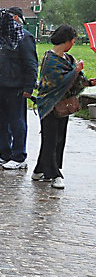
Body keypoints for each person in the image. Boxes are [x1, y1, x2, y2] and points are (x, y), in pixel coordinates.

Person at [31, 24, 93, 189]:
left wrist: (90, 81)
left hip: (63, 106)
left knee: (59, 140)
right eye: (73, 40)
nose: (73, 43)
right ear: (67, 41)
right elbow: (57, 83)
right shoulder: (49, 59)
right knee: (50, 140)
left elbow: (77, 81)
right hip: (49, 105)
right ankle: (54, 174)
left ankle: (39, 170)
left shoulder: (69, 59)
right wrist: (75, 71)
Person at [0, 6, 38, 170]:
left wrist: (28, 87)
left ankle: (19, 156)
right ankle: (4, 154)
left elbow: (31, 64)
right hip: (0, 86)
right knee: (1, 122)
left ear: (16, 18)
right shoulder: (0, 37)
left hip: (16, 87)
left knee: (17, 122)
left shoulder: (25, 37)